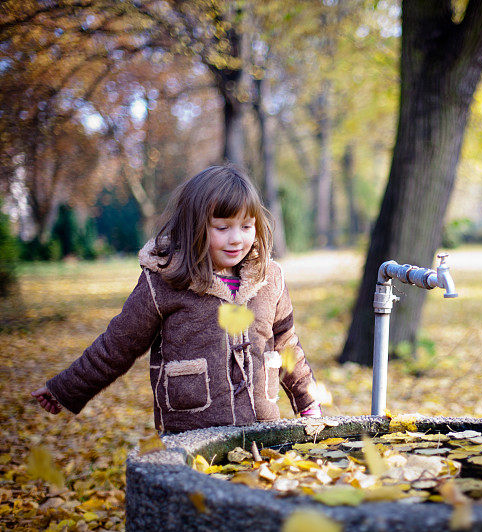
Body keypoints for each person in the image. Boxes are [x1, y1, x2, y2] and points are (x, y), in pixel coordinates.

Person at [31, 164, 322, 433]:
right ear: (194, 226)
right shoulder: (165, 281)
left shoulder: (268, 279)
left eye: (246, 226)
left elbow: (287, 344)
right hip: (192, 432)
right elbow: (117, 344)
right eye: (222, 227)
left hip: (260, 431)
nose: (236, 239)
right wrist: (67, 388)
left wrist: (308, 401)